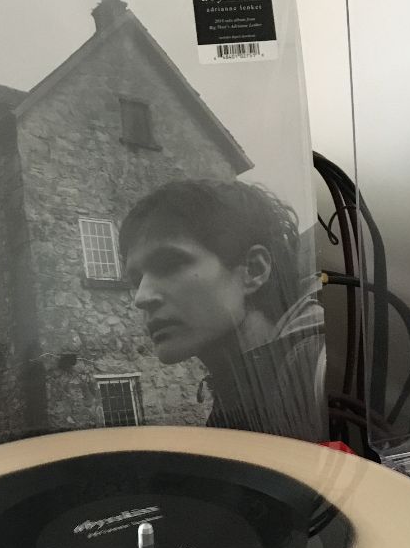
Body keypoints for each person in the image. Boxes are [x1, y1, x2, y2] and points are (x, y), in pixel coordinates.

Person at [118, 177, 326, 442]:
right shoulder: (237, 390)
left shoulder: (320, 369)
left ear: (254, 269)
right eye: (136, 280)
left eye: (169, 264)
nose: (141, 297)